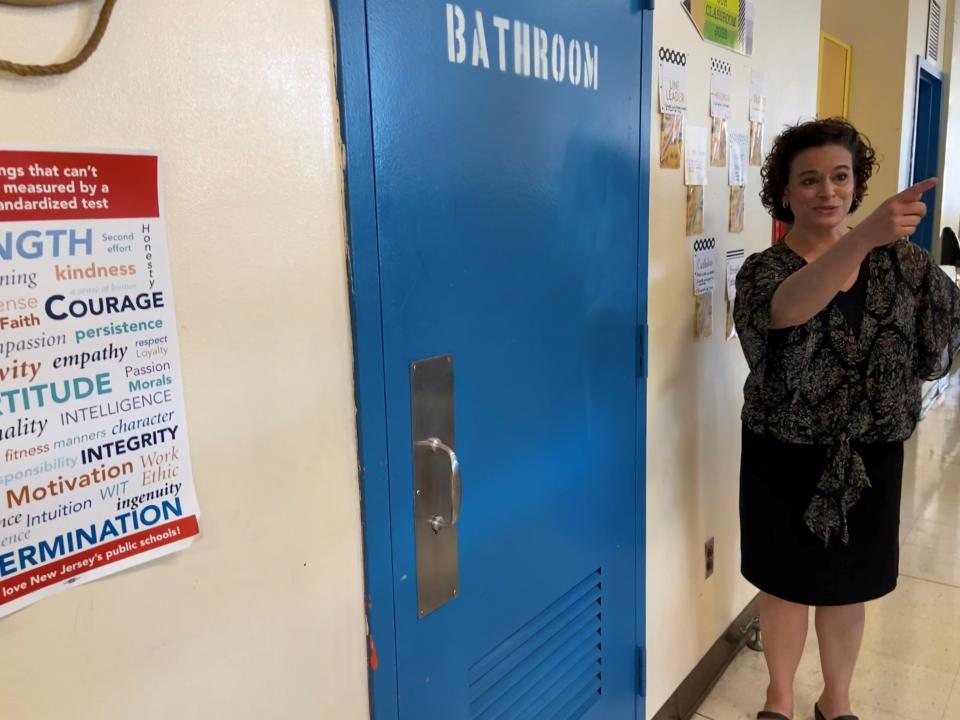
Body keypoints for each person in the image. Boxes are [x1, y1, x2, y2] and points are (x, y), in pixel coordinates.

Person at [733, 117, 960, 720]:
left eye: (840, 176)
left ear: (857, 185)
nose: (827, 191)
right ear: (785, 191)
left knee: (847, 588)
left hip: (869, 457)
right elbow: (784, 314)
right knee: (783, 584)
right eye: (809, 180)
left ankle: (837, 702)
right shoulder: (764, 270)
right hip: (781, 454)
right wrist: (860, 242)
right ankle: (777, 699)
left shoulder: (904, 266)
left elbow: (942, 338)